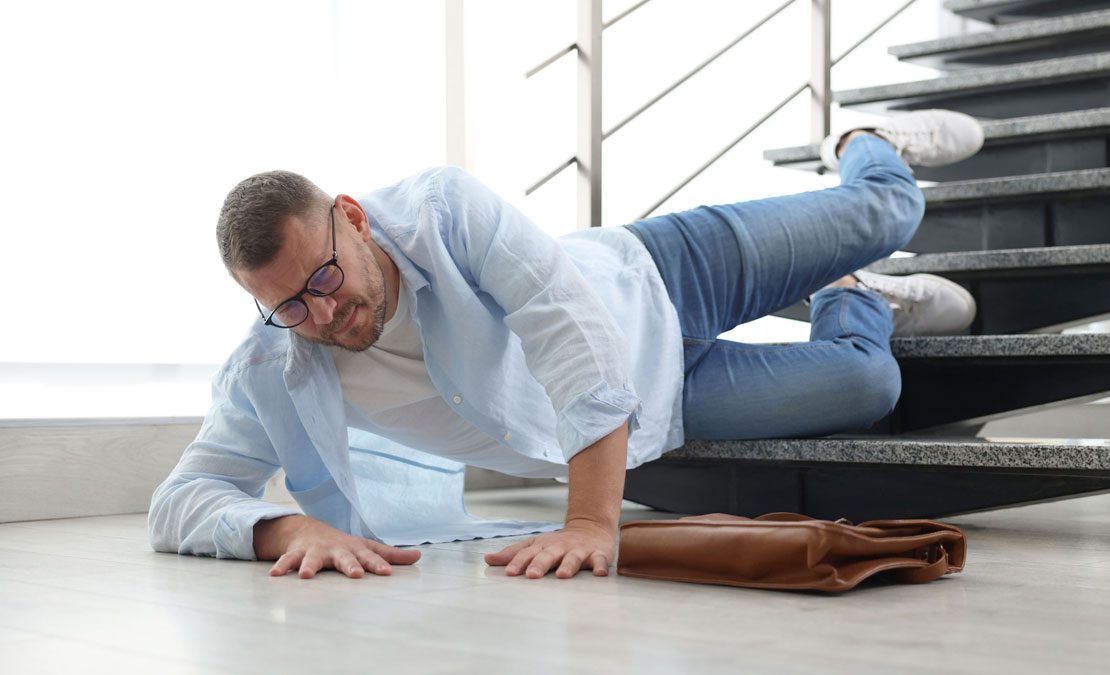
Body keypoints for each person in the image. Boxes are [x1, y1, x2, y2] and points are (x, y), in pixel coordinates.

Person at [149, 109, 983, 581]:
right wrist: (286, 529)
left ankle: (865, 142)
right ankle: (854, 295)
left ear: (354, 219)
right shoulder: (274, 361)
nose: (321, 318)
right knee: (868, 381)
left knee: (889, 214)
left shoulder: (439, 209)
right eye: (288, 306)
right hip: (667, 405)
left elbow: (559, 319)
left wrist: (591, 517)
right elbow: (183, 496)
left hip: (661, 270)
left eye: (323, 282)